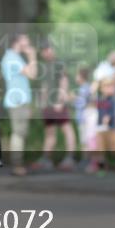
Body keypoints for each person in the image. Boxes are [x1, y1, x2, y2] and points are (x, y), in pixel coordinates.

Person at [33, 42, 75, 171]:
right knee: (50, 132)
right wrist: (42, 103)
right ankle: (46, 159)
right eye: (44, 50)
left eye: (48, 49)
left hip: (57, 103)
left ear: (52, 50)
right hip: (48, 106)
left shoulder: (58, 63)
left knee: (66, 129)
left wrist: (60, 101)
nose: (46, 52)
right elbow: (45, 86)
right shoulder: (45, 66)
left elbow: (64, 81)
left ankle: (70, 158)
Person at [1, 32, 37, 176]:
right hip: (17, 100)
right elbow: (32, 74)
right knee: (18, 133)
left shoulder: (13, 57)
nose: (28, 41)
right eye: (25, 39)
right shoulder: (12, 58)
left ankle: (18, 164)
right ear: (18, 41)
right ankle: (17, 165)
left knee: (20, 132)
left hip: (19, 100)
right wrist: (32, 56)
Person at [89, 77, 115, 175]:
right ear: (102, 88)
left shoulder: (113, 99)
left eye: (112, 87)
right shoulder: (99, 99)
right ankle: (102, 168)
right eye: (108, 87)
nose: (111, 89)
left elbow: (113, 111)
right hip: (100, 128)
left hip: (111, 128)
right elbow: (93, 104)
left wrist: (109, 117)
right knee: (101, 149)